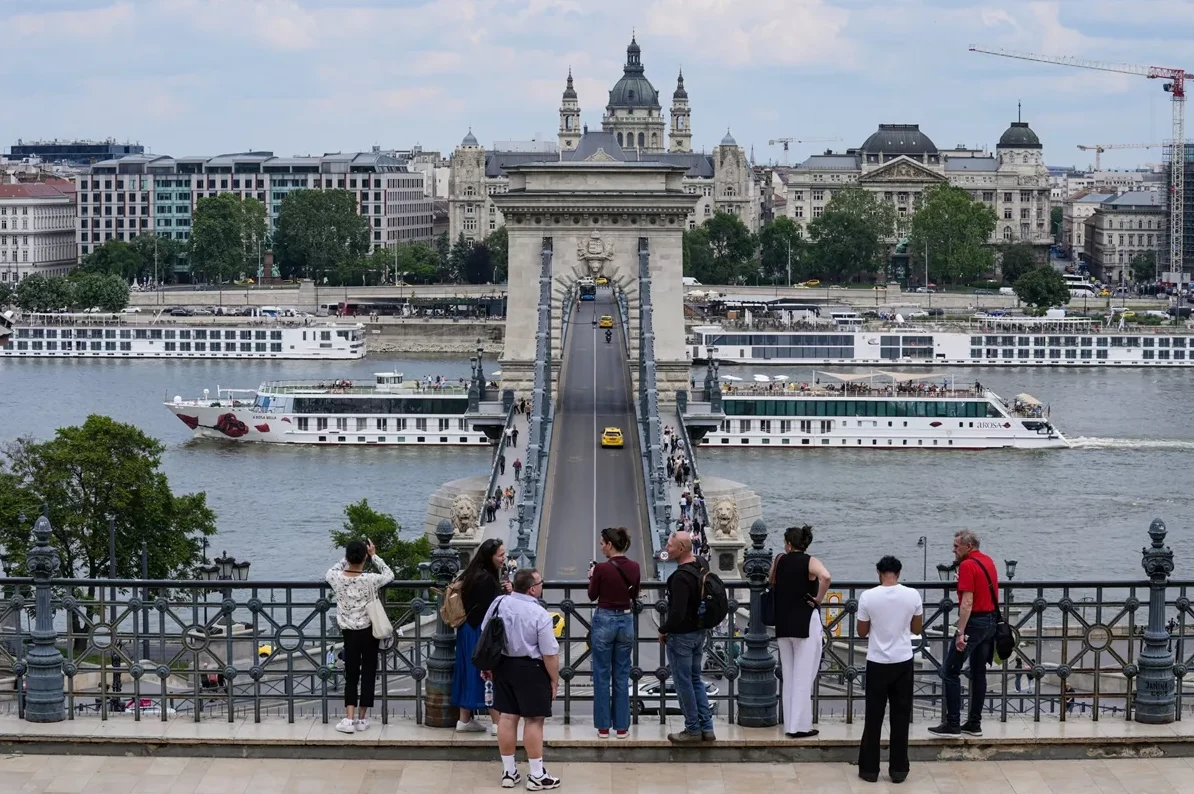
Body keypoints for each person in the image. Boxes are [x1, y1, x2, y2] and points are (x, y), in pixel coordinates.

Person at [481, 569, 561, 790]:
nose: (542, 585)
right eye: (540, 582)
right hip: (531, 669)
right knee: (534, 720)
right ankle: (536, 775)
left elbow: (485, 632)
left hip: (503, 665)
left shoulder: (499, 603)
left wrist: (489, 665)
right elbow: (549, 653)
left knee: (507, 717)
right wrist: (554, 680)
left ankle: (509, 772)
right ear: (532, 589)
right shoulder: (539, 613)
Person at [856, 555, 923, 784]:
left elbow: (862, 632)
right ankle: (898, 770)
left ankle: (869, 770)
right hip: (903, 660)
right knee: (901, 716)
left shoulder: (868, 597)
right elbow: (916, 629)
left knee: (874, 717)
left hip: (877, 661)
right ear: (899, 573)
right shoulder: (912, 595)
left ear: (879, 573)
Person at [929, 529, 999, 738]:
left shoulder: (968, 565)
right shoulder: (988, 561)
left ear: (968, 546)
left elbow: (967, 602)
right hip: (991, 622)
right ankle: (974, 724)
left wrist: (960, 632)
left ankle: (952, 724)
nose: (953, 550)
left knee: (949, 671)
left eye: (956, 546)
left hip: (974, 623)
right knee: (978, 672)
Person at [325, 538, 393, 734]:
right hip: (370, 631)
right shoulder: (370, 579)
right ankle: (362, 719)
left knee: (351, 674)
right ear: (364, 558)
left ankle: (348, 719)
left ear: (347, 557)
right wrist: (374, 556)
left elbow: (330, 571)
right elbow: (389, 574)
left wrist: (345, 559)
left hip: (349, 633)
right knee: (369, 673)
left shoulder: (336, 578)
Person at [771, 525, 831, 738]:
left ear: (788, 544)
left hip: (783, 623)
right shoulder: (810, 561)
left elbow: (772, 581)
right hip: (805, 621)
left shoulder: (779, 561)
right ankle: (799, 726)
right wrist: (818, 599)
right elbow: (826, 577)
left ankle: (790, 723)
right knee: (804, 676)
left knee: (789, 675)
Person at [658, 531, 715, 744]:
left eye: (670, 545)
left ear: (681, 548)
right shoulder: (701, 564)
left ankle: (692, 729)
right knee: (695, 680)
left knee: (684, 684)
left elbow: (677, 613)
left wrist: (663, 629)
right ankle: (707, 728)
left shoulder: (679, 578)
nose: (666, 548)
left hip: (681, 636)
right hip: (700, 632)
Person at [587, 526, 641, 739]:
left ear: (610, 545)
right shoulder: (635, 567)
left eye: (602, 544)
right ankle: (621, 727)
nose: (601, 547)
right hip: (626, 620)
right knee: (621, 674)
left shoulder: (601, 568)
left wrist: (592, 577)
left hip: (605, 619)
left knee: (601, 674)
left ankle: (603, 728)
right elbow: (635, 593)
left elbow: (592, 595)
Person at [453, 538, 511, 734]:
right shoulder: (486, 579)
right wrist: (506, 593)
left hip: (467, 630)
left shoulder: (472, 574)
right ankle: (497, 722)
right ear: (490, 557)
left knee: (468, 672)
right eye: (500, 555)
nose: (504, 558)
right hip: (480, 631)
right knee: (487, 672)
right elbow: (492, 609)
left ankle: (464, 720)